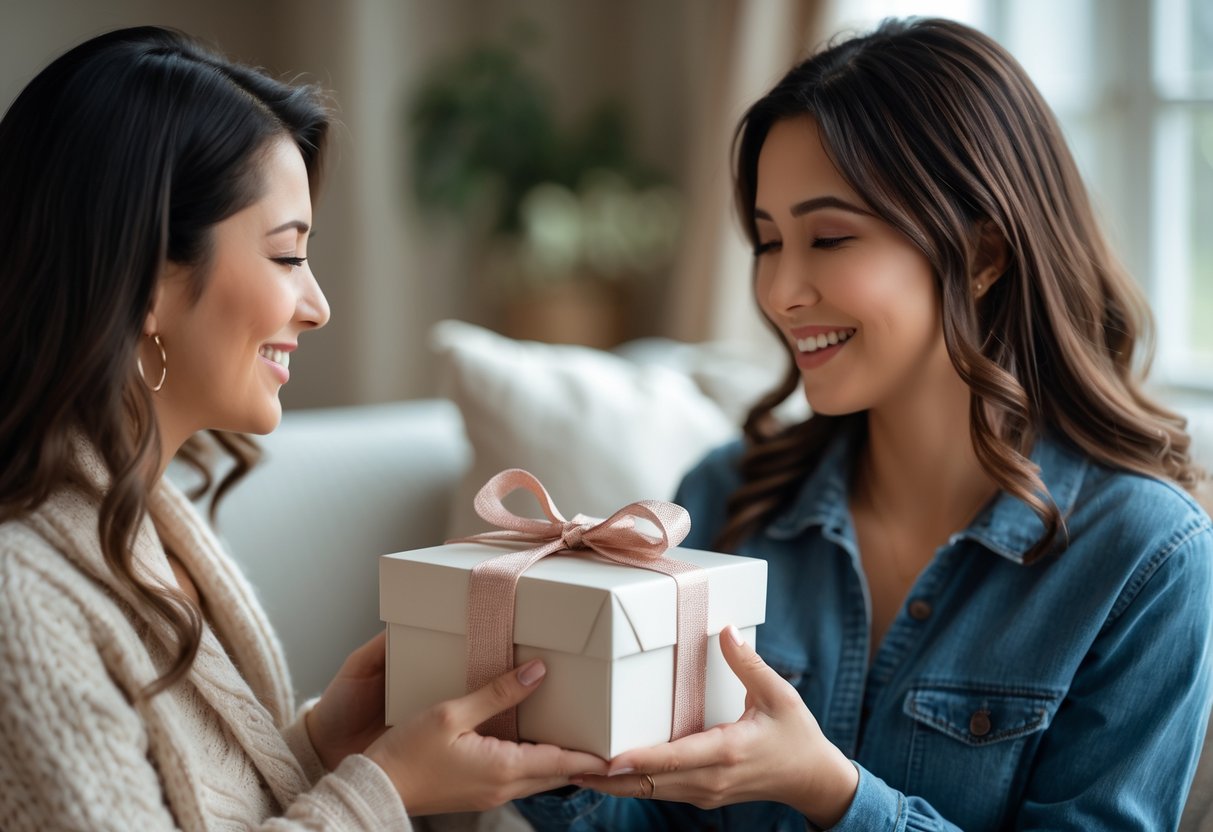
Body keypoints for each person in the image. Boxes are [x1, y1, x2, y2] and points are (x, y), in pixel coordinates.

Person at [515, 16, 1213, 832]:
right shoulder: (722, 494)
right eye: (768, 243)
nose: (779, 292)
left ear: (984, 251)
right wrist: (550, 750)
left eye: (830, 237)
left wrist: (833, 795)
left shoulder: (1144, 559)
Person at [0, 26, 605, 831]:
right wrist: (381, 792)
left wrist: (322, 747)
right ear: (144, 276)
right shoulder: (22, 604)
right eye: (288, 257)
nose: (317, 306)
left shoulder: (145, 525)